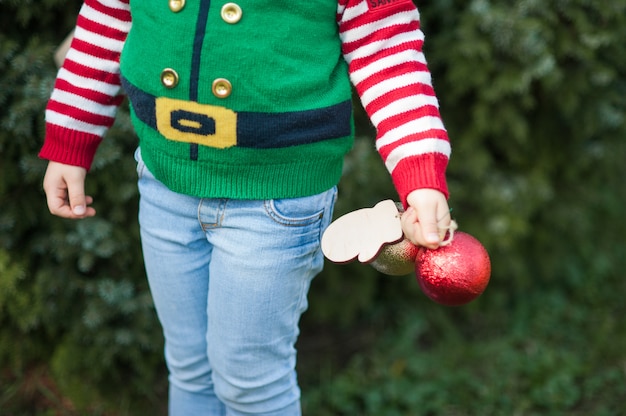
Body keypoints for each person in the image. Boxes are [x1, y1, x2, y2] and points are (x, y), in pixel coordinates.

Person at [40, 0, 452, 414]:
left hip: (276, 203)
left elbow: (385, 48)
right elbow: (108, 15)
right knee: (188, 367)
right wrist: (70, 139)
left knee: (250, 385)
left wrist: (420, 173)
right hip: (164, 185)